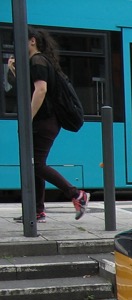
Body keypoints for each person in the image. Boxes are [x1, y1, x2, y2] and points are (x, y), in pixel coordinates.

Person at [6, 27, 89, 223]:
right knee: (34, 164)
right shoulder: (40, 61)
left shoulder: (37, 60)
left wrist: (27, 118)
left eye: (20, 41)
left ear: (32, 41)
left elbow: (41, 90)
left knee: (37, 164)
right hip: (46, 121)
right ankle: (37, 211)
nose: (16, 46)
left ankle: (77, 194)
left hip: (44, 121)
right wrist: (14, 71)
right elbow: (30, 90)